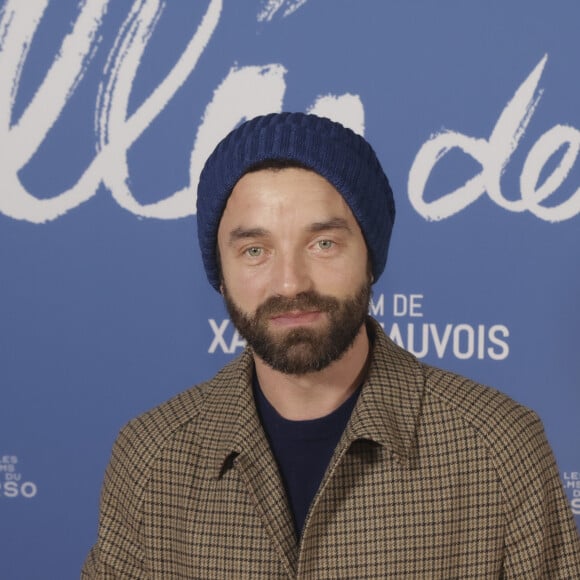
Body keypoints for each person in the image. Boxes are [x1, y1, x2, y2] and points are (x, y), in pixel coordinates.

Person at [82, 112, 580, 578]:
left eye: (323, 243)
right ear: (221, 274)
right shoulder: (149, 457)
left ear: (370, 257)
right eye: (255, 250)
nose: (290, 283)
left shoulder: (499, 448)